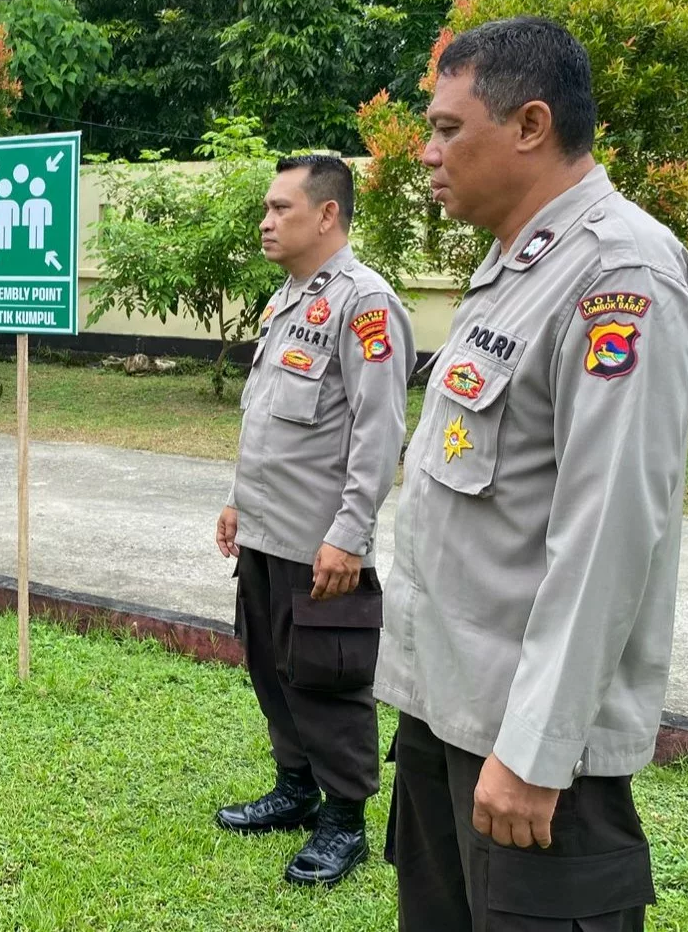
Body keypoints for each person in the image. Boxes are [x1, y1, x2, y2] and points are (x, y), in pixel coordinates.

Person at [377, 17, 688, 930]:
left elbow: (608, 533)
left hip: (525, 755)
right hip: (451, 715)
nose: (428, 153)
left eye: (447, 129)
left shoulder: (621, 277)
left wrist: (535, 751)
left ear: (530, 125)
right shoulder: (517, 265)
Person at [214, 154, 415, 886]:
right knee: (272, 666)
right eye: (266, 209)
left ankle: (343, 820)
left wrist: (349, 535)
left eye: (280, 208)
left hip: (321, 542)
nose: (266, 222)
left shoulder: (366, 305)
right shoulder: (287, 301)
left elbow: (377, 432)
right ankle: (296, 787)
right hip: (268, 533)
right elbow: (266, 416)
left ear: (326, 214)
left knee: (328, 678)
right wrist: (240, 498)